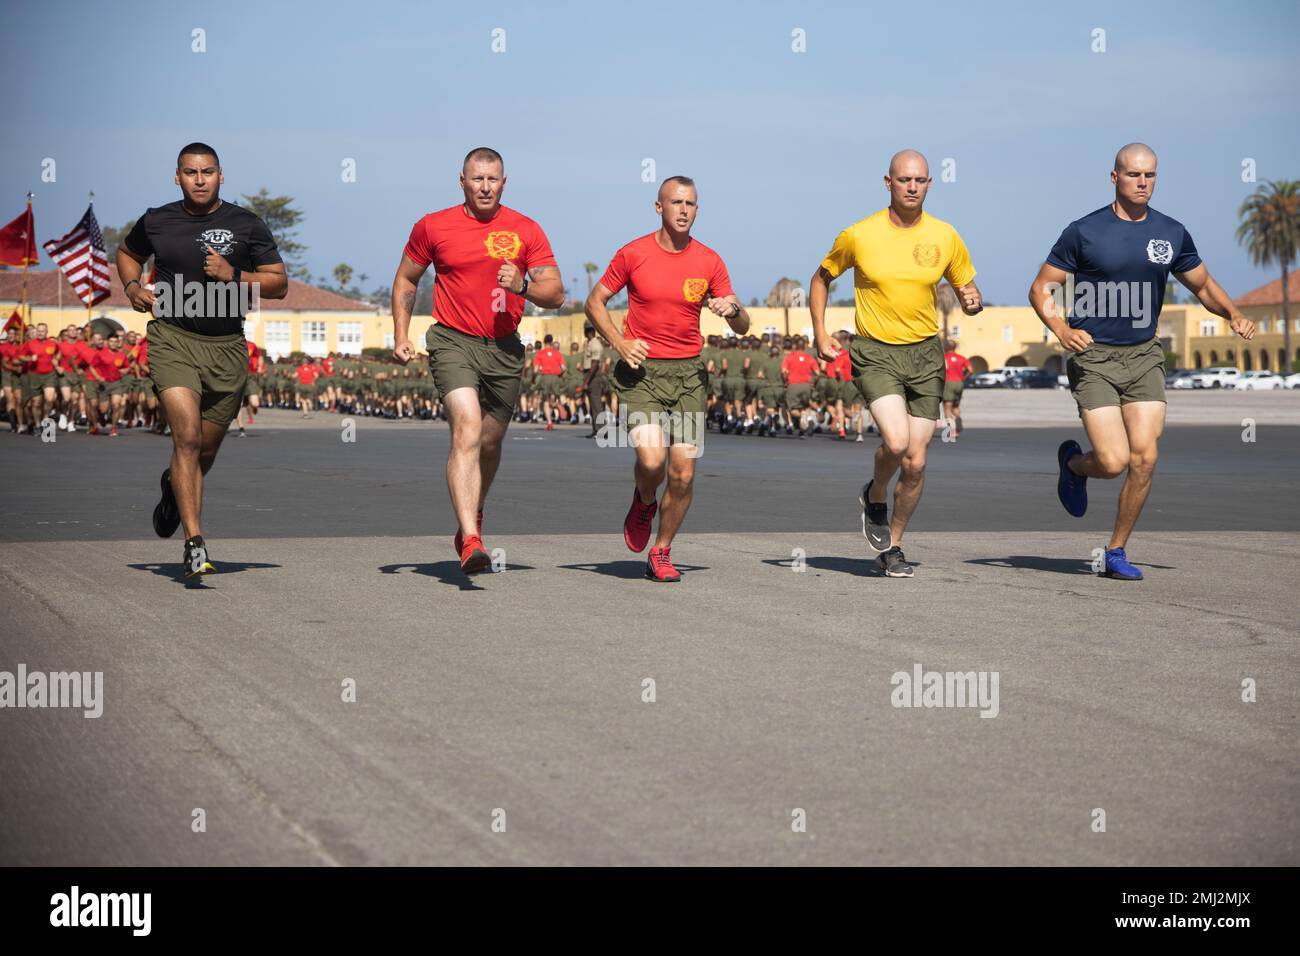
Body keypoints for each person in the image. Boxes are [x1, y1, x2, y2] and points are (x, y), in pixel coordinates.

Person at [1029, 143, 1256, 580]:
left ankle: (1116, 551)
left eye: (1150, 175)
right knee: (1112, 462)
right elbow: (1041, 288)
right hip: (1093, 356)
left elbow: (1203, 286)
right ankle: (1074, 465)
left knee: (1145, 457)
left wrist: (1235, 313)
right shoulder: (1084, 231)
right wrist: (1060, 330)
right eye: (1133, 174)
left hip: (1144, 356)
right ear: (1114, 177)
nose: (1142, 182)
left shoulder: (1171, 232)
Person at [116, 142, 288, 577]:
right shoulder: (157, 220)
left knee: (204, 451)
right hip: (172, 338)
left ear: (221, 176)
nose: (199, 179)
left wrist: (236, 275)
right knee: (187, 439)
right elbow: (127, 253)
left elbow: (278, 284)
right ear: (178, 177)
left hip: (227, 347)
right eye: (190, 172)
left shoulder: (246, 224)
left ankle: (173, 488)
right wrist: (133, 287)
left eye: (207, 172)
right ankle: (194, 542)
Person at [809, 149, 983, 577]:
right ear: (888, 183)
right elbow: (821, 278)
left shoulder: (945, 235)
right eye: (904, 180)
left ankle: (894, 546)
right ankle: (875, 493)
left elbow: (965, 281)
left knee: (918, 462)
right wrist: (820, 331)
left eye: (920, 180)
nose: (911, 187)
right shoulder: (860, 234)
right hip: (876, 351)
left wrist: (971, 298)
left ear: (929, 184)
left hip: (925, 354)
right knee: (899, 441)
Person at [390, 146, 563, 574]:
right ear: (462, 181)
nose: (485, 187)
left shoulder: (527, 229)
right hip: (452, 340)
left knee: (489, 441)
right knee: (466, 425)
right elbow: (406, 279)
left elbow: (556, 294)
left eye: (493, 179)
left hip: (504, 348)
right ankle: (470, 539)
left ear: (504, 182)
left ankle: (476, 510)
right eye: (477, 179)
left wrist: (522, 284)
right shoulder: (433, 226)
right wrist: (401, 334)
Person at [585, 175, 749, 582]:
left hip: (689, 375)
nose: (683, 210)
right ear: (659, 207)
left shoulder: (709, 260)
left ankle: (661, 551)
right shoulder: (633, 253)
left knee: (683, 472)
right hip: (642, 373)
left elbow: (743, 324)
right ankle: (643, 499)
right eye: (675, 202)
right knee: (652, 460)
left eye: (690, 204)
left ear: (697, 209)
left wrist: (732, 310)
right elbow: (595, 303)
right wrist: (620, 343)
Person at [942, 338, 971, 437]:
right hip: (959, 383)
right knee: (956, 406)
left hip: (948, 383)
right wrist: (963, 378)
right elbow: (970, 370)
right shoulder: (961, 358)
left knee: (947, 408)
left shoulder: (944, 358)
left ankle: (952, 430)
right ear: (955, 347)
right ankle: (958, 424)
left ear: (946, 347)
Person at [582, 323, 605, 437]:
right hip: (589, 374)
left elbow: (594, 364)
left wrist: (587, 382)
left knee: (596, 404)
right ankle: (596, 429)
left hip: (593, 376)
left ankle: (601, 430)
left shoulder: (595, 344)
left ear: (587, 331)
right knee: (592, 404)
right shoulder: (590, 343)